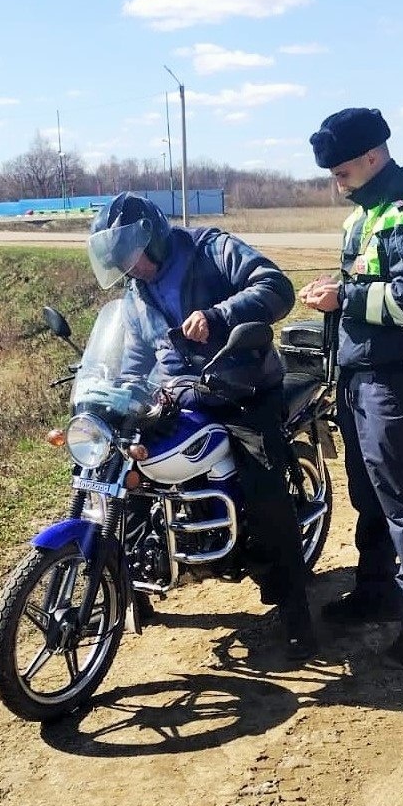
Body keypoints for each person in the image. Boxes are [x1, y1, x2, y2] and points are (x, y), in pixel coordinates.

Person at [87, 192, 318, 662]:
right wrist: (117, 391)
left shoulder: (211, 249)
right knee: (121, 469)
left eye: (133, 258)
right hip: (180, 393)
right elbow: (136, 352)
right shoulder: (137, 292)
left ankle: (297, 617)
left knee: (264, 487)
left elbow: (275, 286)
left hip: (243, 386)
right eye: (122, 264)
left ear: (153, 239)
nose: (131, 270)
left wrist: (220, 315)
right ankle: (127, 586)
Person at [299, 107, 403, 667]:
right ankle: (376, 592)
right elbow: (364, 279)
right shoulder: (363, 214)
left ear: (372, 155)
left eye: (341, 171)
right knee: (368, 497)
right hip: (357, 374)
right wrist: (335, 291)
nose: (336, 182)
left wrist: (345, 299)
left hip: (393, 379)